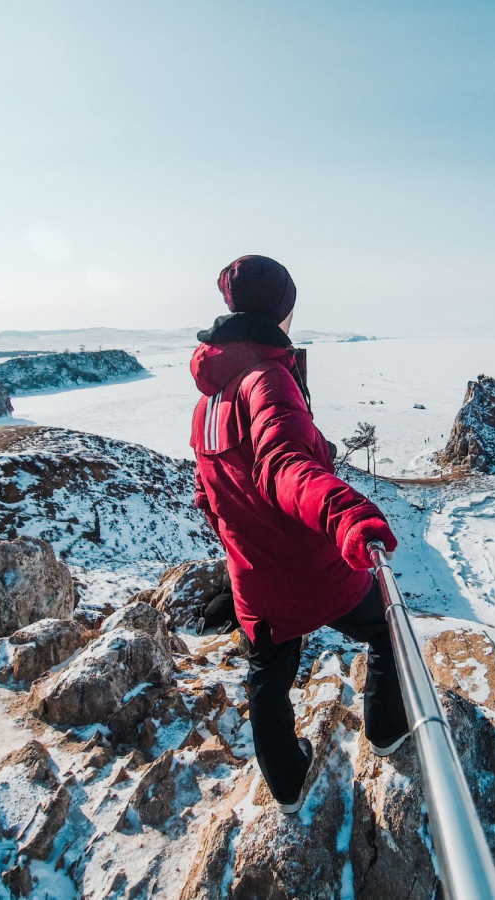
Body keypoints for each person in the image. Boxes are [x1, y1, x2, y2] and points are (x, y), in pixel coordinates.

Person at [189, 254, 407, 813]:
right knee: (387, 629)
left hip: (257, 579)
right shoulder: (267, 380)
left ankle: (286, 784)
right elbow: (285, 465)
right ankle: (387, 732)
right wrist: (347, 513)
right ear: (281, 314)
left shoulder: (210, 401)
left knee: (269, 678)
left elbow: (209, 493)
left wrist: (239, 547)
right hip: (311, 570)